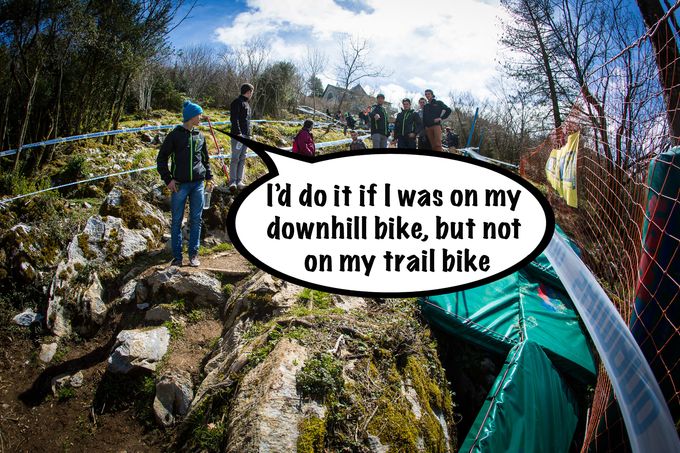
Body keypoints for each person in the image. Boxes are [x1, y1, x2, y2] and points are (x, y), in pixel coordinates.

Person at [157, 100, 214, 267]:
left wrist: (209, 178)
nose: (201, 117)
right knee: (176, 221)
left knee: (196, 219)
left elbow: (205, 160)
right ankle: (177, 257)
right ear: (191, 116)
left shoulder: (200, 136)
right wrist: (168, 180)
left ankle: (193, 255)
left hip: (198, 184)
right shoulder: (174, 135)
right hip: (179, 185)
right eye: (199, 115)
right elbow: (161, 159)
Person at [229, 83, 254, 192]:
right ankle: (232, 182)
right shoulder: (237, 102)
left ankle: (239, 181)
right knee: (235, 158)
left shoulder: (247, 104)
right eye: (251, 92)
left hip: (246, 135)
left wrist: (249, 134)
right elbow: (234, 119)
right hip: (238, 135)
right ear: (248, 92)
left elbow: (247, 121)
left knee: (243, 158)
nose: (251, 94)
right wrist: (238, 132)